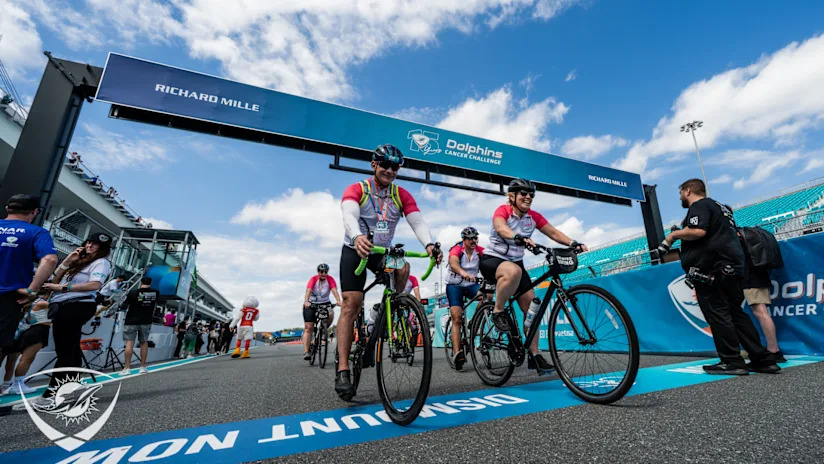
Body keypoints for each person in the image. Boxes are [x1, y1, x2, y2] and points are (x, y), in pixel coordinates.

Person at [335, 144, 441, 400]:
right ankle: (343, 369)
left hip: (383, 252)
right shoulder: (358, 189)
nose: (390, 170)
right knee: (352, 304)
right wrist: (357, 235)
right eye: (385, 165)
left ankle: (392, 309)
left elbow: (417, 221)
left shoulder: (400, 194)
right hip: (356, 248)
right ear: (374, 165)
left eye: (395, 167)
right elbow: (348, 214)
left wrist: (429, 244)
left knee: (403, 265)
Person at [655, 179, 780, 375]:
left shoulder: (700, 205)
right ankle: (762, 359)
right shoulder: (721, 208)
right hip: (732, 268)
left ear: (688, 191)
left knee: (718, 314)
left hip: (713, 270)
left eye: (680, 193)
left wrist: (672, 236)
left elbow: (698, 231)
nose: (680, 197)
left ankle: (731, 361)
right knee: (736, 314)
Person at [479, 178, 587, 374]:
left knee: (532, 309)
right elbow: (501, 227)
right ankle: (498, 311)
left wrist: (572, 243)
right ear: (512, 196)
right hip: (492, 260)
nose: (528, 197)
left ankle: (535, 356)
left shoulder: (533, 217)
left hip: (516, 263)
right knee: (514, 271)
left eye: (531, 195)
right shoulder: (503, 211)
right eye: (523, 193)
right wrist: (517, 236)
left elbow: (553, 232)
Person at [40, 232, 113, 400]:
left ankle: (54, 393)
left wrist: (64, 288)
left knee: (64, 349)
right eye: (89, 242)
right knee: (71, 349)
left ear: (102, 249)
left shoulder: (101, 262)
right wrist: (66, 262)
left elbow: (95, 284)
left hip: (77, 304)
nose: (90, 246)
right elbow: (53, 280)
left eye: (96, 245)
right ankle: (69, 389)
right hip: (64, 305)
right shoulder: (77, 262)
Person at [0, 194, 57, 360]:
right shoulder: (37, 233)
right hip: (9, 296)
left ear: (7, 209)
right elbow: (49, 259)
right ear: (34, 212)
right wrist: (32, 290)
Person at [445, 226, 485, 370]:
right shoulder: (457, 249)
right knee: (457, 318)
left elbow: (489, 262)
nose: (474, 240)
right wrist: (463, 273)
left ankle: (474, 321)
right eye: (470, 238)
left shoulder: (480, 250)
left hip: (470, 285)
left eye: (476, 237)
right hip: (455, 286)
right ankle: (457, 353)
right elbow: (453, 263)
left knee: (486, 295)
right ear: (464, 240)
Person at [1, 298, 50, 394]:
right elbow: (58, 308)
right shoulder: (42, 303)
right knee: (26, 359)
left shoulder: (34, 303)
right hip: (39, 331)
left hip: (34, 331)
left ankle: (9, 384)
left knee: (16, 360)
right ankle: (17, 385)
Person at [119, 276, 158, 376]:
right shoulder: (156, 292)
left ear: (141, 282)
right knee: (144, 342)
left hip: (131, 320)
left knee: (129, 343)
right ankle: (143, 367)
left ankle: (127, 368)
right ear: (150, 283)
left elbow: (124, 305)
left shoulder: (133, 292)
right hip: (146, 320)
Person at [302, 263, 342, 360]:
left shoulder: (330, 279)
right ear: (318, 272)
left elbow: (334, 290)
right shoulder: (313, 279)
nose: (323, 273)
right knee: (308, 327)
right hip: (311, 304)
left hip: (324, 303)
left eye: (325, 272)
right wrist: (306, 301)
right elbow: (308, 291)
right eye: (321, 272)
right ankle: (307, 351)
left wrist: (338, 301)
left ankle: (323, 330)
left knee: (331, 313)